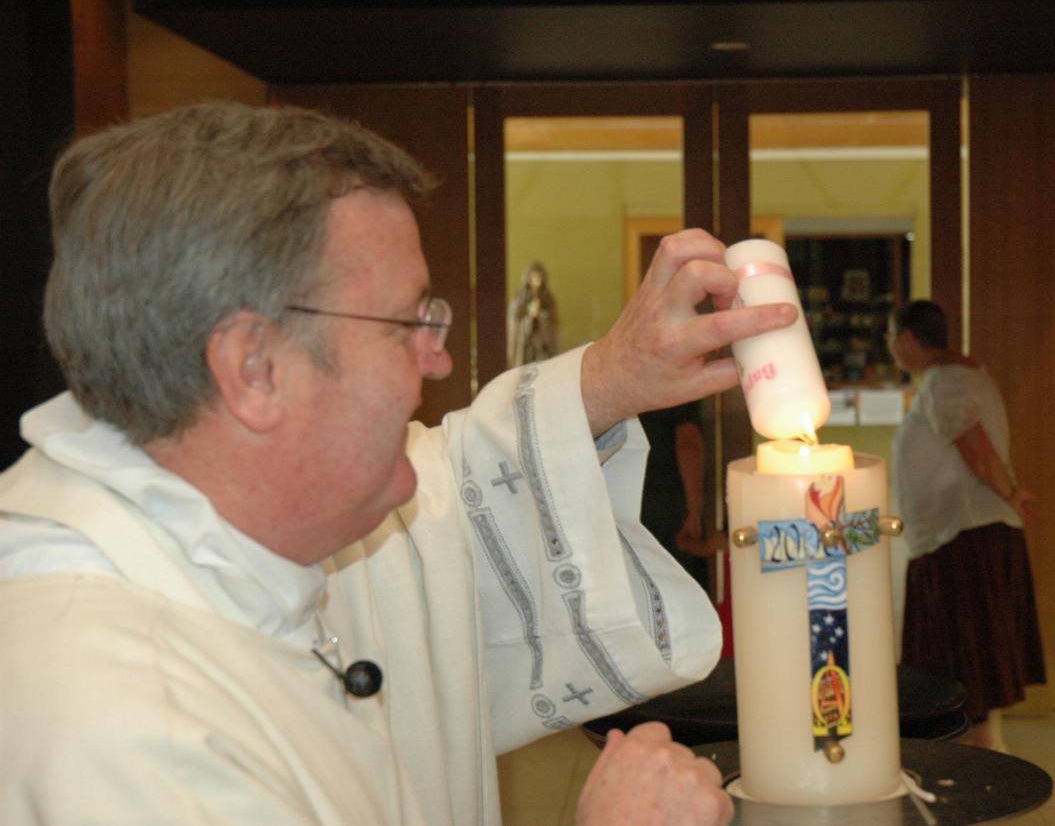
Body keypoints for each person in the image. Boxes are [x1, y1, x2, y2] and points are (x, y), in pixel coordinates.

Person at [0, 101, 798, 824]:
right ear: (253, 367)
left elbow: (455, 500)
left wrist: (611, 378)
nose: (438, 358)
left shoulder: (230, 523)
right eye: (407, 322)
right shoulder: (127, 722)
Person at [888, 299, 1045, 751]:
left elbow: (976, 451)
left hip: (962, 539)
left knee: (965, 676)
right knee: (971, 678)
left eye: (892, 341)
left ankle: (978, 767)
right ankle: (980, 760)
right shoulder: (968, 375)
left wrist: (1011, 493)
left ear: (908, 340)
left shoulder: (946, 383)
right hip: (964, 537)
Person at [637, 402, 725, 593]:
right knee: (680, 592)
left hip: (629, 507)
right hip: (670, 508)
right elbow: (688, 444)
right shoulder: (675, 389)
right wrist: (694, 511)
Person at [506, 261, 560, 366]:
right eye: (533, 277)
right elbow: (515, 317)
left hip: (543, 343)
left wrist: (541, 315)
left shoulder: (548, 299)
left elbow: (553, 320)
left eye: (538, 277)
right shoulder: (520, 298)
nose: (536, 280)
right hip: (525, 343)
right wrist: (528, 318)